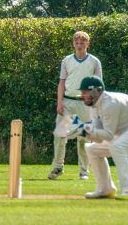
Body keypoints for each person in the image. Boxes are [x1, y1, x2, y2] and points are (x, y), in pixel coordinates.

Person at [73, 76, 128, 200]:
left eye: (85, 92)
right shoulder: (94, 106)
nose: (82, 95)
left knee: (118, 146)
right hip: (127, 132)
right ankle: (105, 189)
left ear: (96, 91)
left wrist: (85, 129)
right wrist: (81, 131)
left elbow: (108, 135)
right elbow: (99, 138)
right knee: (92, 149)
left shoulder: (110, 103)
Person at [49, 31, 102, 180]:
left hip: (85, 104)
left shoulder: (94, 61)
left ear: (87, 44)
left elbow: (98, 85)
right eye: (77, 42)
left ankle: (84, 171)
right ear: (73, 44)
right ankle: (58, 167)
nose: (79, 45)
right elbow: (62, 83)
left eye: (82, 43)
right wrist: (59, 102)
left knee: (84, 137)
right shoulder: (66, 60)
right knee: (60, 134)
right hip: (67, 102)